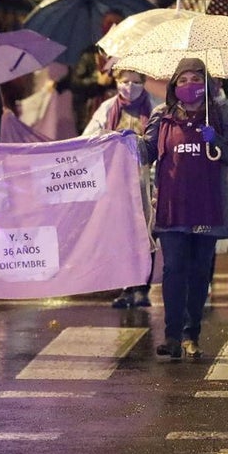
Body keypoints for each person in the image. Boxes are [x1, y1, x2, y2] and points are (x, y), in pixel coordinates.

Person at [139, 58, 228, 360]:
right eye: (182, 80)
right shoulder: (162, 115)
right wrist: (128, 142)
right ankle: (172, 336)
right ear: (173, 85)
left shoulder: (221, 113)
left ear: (207, 83)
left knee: (199, 272)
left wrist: (219, 141)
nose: (189, 86)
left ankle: (191, 333)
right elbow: (147, 151)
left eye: (195, 79)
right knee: (173, 269)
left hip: (208, 209)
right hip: (172, 209)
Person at [83, 68, 158, 308]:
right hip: (116, 183)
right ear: (116, 82)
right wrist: (109, 137)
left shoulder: (155, 108)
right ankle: (127, 286)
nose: (130, 87)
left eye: (136, 82)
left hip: (145, 180)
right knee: (122, 234)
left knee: (145, 232)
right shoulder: (107, 109)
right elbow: (88, 138)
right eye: (125, 81)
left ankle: (142, 287)